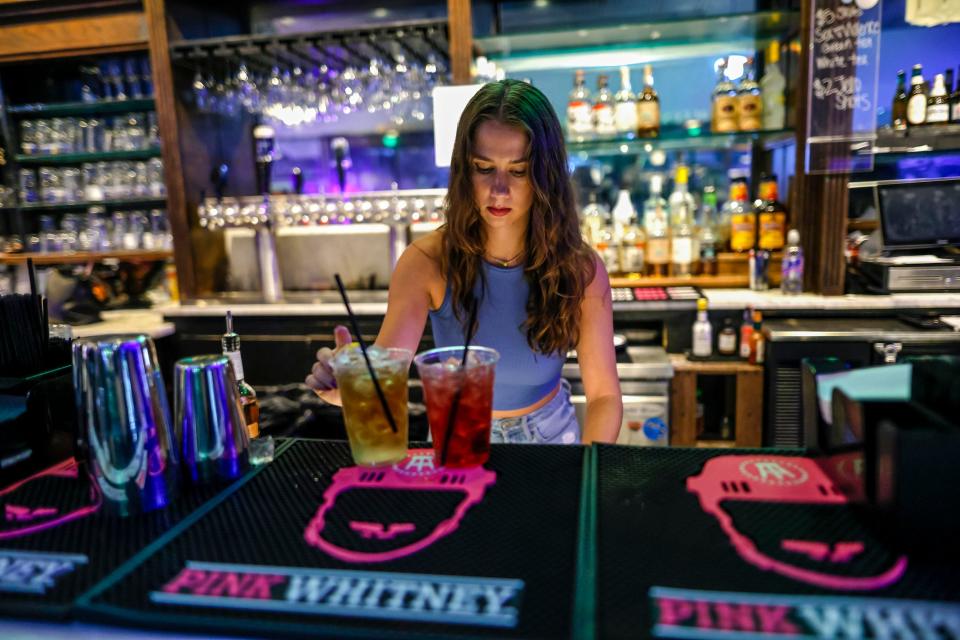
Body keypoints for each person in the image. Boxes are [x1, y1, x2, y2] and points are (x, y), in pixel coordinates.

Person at [306, 79, 622, 444]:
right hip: (458, 437)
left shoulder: (579, 268)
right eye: (484, 168)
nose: (498, 189)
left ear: (544, 176)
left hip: (549, 438)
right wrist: (350, 385)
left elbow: (604, 396)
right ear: (463, 169)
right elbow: (386, 372)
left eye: (518, 170)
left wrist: (589, 467)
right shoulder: (425, 261)